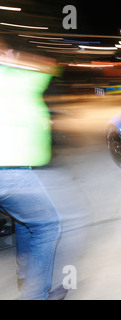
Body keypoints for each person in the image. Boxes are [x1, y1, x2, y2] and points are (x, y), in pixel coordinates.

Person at [0, 46, 67, 300]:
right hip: (9, 170)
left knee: (25, 219)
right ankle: (35, 295)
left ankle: (24, 275)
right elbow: (46, 66)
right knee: (48, 225)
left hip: (16, 169)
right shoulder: (13, 75)